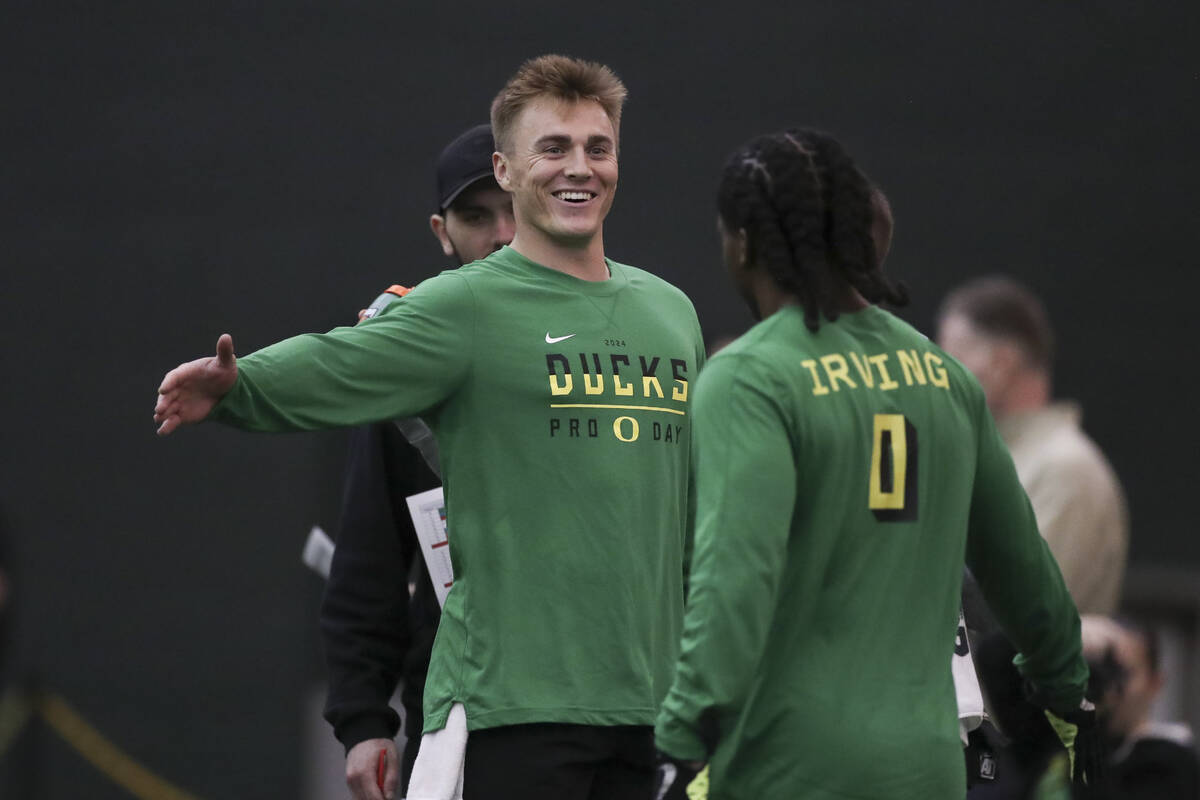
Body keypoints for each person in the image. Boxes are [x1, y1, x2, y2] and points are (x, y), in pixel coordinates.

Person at [154, 54, 704, 799]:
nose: (580, 167)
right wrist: (241, 385)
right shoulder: (463, 306)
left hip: (649, 714)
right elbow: (340, 362)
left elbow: (695, 518)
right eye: (554, 148)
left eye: (596, 147)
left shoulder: (671, 315)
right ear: (507, 169)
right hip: (511, 712)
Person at [653, 129, 1093, 799]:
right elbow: (1027, 576)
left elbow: (732, 588)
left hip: (792, 770)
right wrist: (1065, 691)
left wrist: (676, 742)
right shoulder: (945, 377)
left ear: (741, 243)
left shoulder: (749, 376)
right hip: (929, 768)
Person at [323, 124, 514, 800]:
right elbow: (368, 561)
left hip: (607, 706)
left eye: (515, 207)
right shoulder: (405, 361)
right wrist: (363, 721)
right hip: (458, 714)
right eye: (475, 215)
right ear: (442, 230)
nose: (500, 234)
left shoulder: (614, 341)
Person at [937, 277, 1128, 615]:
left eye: (952, 355)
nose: (938, 373)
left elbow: (1019, 616)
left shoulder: (1066, 470)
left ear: (1001, 364)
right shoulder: (995, 459)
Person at [1082, 615, 1199, 799]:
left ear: (1155, 683)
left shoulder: (1170, 762)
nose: (1109, 686)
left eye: (1119, 672)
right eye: (1098, 671)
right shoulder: (1063, 739)